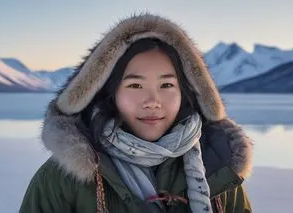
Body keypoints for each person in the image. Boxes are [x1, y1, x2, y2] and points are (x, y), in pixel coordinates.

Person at [20, 14, 253, 213]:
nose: (152, 102)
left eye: (166, 85)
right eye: (135, 85)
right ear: (110, 93)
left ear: (185, 92)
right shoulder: (65, 176)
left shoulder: (218, 169)